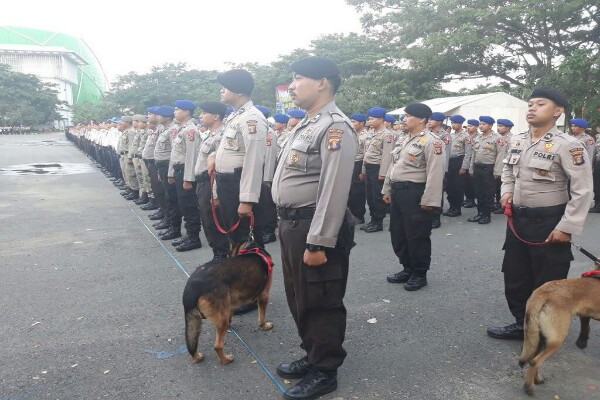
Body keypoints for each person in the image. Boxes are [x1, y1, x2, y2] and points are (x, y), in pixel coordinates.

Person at [272, 56, 357, 400]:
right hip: (293, 224)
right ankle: (312, 354)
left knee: (321, 298)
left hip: (315, 227)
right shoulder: (306, 123)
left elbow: (333, 190)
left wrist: (319, 242)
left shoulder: (335, 126)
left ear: (322, 82)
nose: (291, 86)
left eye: (297, 79)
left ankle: (325, 370)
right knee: (299, 295)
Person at [487, 87, 593, 340]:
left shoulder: (569, 145)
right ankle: (521, 324)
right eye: (530, 103)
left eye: (540, 104)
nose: (532, 108)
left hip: (549, 221)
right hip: (518, 219)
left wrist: (567, 226)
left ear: (558, 111)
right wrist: (506, 191)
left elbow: (583, 190)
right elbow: (509, 172)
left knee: (548, 279)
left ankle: (544, 331)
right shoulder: (519, 140)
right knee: (515, 273)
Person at [384, 103, 444, 291]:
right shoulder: (403, 139)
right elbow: (393, 166)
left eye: (408, 116)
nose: (403, 119)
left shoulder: (432, 142)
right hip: (398, 191)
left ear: (422, 119)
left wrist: (430, 201)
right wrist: (387, 188)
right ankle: (407, 268)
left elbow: (436, 173)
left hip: (416, 193)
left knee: (417, 235)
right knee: (398, 232)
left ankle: (419, 273)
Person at [194, 101, 229, 260]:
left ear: (215, 116)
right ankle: (217, 254)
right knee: (207, 221)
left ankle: (221, 257)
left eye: (204, 113)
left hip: (211, 183)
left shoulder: (221, 136)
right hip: (202, 182)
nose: (200, 116)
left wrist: (215, 194)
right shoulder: (210, 135)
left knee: (214, 222)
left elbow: (219, 167)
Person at [169, 100, 202, 252]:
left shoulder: (191, 130)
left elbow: (191, 156)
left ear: (187, 112)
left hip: (185, 170)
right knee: (183, 204)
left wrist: (188, 178)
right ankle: (189, 234)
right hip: (179, 169)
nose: (175, 112)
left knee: (189, 205)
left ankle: (194, 237)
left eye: (178, 110)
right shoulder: (182, 129)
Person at [361, 106, 396, 233]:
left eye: (372, 119)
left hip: (378, 168)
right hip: (369, 167)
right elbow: (366, 154)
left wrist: (383, 173)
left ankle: (378, 222)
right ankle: (372, 220)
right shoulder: (370, 133)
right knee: (369, 196)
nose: (369, 121)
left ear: (381, 119)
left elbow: (387, 155)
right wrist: (364, 170)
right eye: (369, 119)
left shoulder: (387, 135)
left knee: (377, 197)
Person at [468, 116, 507, 224]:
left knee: (488, 193)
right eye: (480, 124)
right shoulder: (477, 138)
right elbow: (473, 154)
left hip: (489, 168)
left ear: (490, 125)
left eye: (483, 124)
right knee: (478, 192)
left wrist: (497, 172)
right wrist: (471, 168)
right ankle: (479, 213)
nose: (481, 126)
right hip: (477, 167)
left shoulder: (498, 138)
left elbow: (501, 156)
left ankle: (486, 215)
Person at [427, 112, 451, 229]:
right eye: (429, 119)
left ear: (440, 122)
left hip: (439, 167)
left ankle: (436, 217)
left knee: (436, 192)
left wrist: (443, 171)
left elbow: (445, 154)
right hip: (427, 167)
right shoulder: (426, 133)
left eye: (432, 120)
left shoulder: (444, 135)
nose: (429, 121)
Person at [443, 114, 469, 217]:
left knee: (458, 187)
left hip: (459, 162)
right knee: (450, 187)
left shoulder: (466, 136)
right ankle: (451, 207)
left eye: (455, 123)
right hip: (450, 162)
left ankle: (457, 209)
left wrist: (464, 167)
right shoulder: (450, 135)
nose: (453, 125)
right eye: (452, 123)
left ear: (461, 124)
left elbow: (468, 153)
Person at [348, 113, 368, 223]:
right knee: (350, 191)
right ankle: (351, 214)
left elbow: (366, 155)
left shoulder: (366, 136)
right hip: (350, 163)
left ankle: (359, 215)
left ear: (362, 123)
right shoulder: (352, 134)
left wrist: (362, 171)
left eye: (354, 121)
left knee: (358, 192)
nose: (351, 123)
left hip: (359, 164)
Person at [493, 119, 514, 214]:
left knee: (503, 186)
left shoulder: (512, 139)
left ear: (508, 128)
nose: (498, 128)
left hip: (507, 166)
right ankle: (498, 203)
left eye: (501, 126)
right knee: (497, 186)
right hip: (498, 165)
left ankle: (504, 205)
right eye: (498, 126)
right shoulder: (497, 138)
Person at [462, 119, 479, 208]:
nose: (468, 128)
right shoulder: (466, 136)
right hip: (466, 161)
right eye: (468, 126)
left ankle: (472, 200)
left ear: (476, 127)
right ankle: (468, 199)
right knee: (465, 182)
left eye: (471, 126)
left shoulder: (478, 137)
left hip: (473, 162)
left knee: (472, 183)